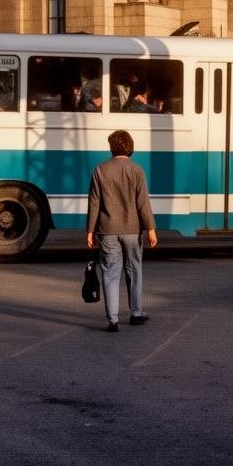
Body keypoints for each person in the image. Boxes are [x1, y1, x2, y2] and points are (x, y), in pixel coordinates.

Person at [86, 129, 157, 332]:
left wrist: (90, 230)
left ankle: (113, 319)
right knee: (134, 270)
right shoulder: (137, 170)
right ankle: (136, 313)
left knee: (110, 273)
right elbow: (143, 202)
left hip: (107, 230)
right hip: (133, 230)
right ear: (130, 146)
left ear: (111, 147)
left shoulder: (100, 170)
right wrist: (150, 228)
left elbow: (94, 203)